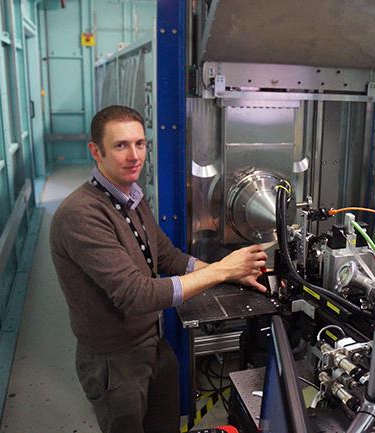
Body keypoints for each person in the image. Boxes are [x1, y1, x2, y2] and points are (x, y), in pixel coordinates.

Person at [50, 105, 268, 433]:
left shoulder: (132, 197)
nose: (134, 155)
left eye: (140, 144)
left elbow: (166, 257)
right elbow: (135, 295)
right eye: (121, 145)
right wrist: (221, 270)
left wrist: (231, 272)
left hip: (154, 342)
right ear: (96, 151)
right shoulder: (80, 215)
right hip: (115, 361)